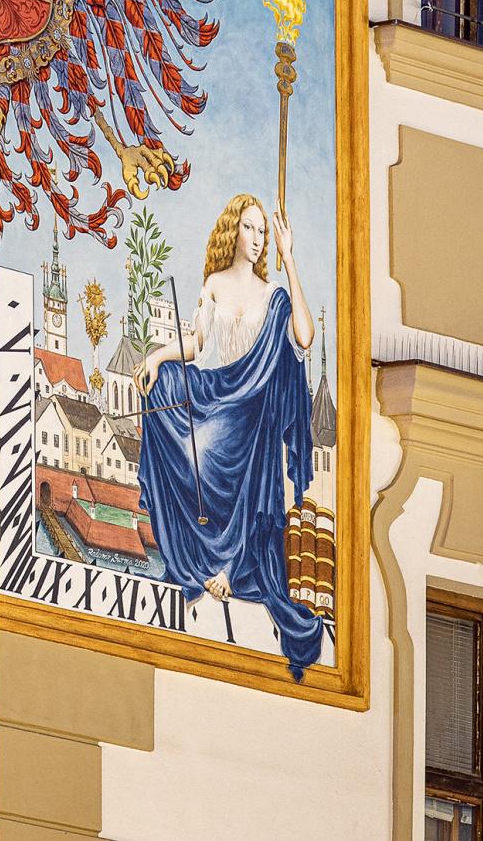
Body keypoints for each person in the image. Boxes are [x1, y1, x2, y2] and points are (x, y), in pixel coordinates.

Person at [134, 193, 323, 679]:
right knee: (164, 387)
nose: (257, 239)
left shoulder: (274, 296)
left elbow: (304, 338)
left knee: (252, 443)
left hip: (255, 407)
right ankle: (198, 554)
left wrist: (290, 258)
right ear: (233, 231)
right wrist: (156, 357)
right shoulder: (215, 284)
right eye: (250, 229)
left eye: (264, 232)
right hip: (221, 392)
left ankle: (231, 568)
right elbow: (197, 344)